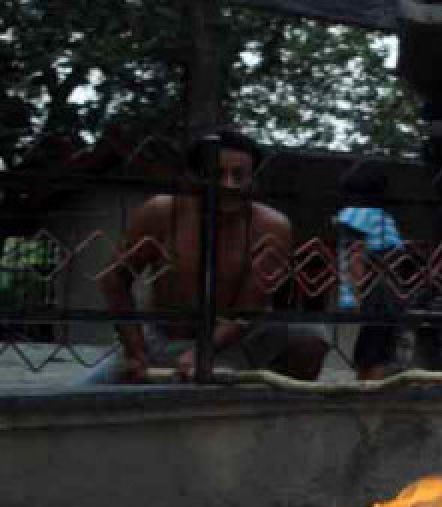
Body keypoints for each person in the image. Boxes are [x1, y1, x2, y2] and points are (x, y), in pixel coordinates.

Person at [85, 129, 328, 383]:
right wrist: (135, 350)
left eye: (239, 176)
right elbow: (115, 279)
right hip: (162, 339)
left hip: (235, 341)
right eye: (217, 174)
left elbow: (249, 307)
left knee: (308, 334)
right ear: (194, 177)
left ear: (253, 180)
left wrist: (202, 353)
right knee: (82, 401)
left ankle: (279, 411)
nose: (228, 185)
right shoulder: (162, 212)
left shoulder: (271, 226)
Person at [335, 163, 404, 380]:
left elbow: (354, 254)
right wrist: (357, 296)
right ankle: (370, 389)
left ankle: (366, 385)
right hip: (377, 290)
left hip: (372, 288)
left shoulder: (353, 215)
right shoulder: (371, 216)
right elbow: (357, 255)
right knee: (378, 346)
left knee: (372, 343)